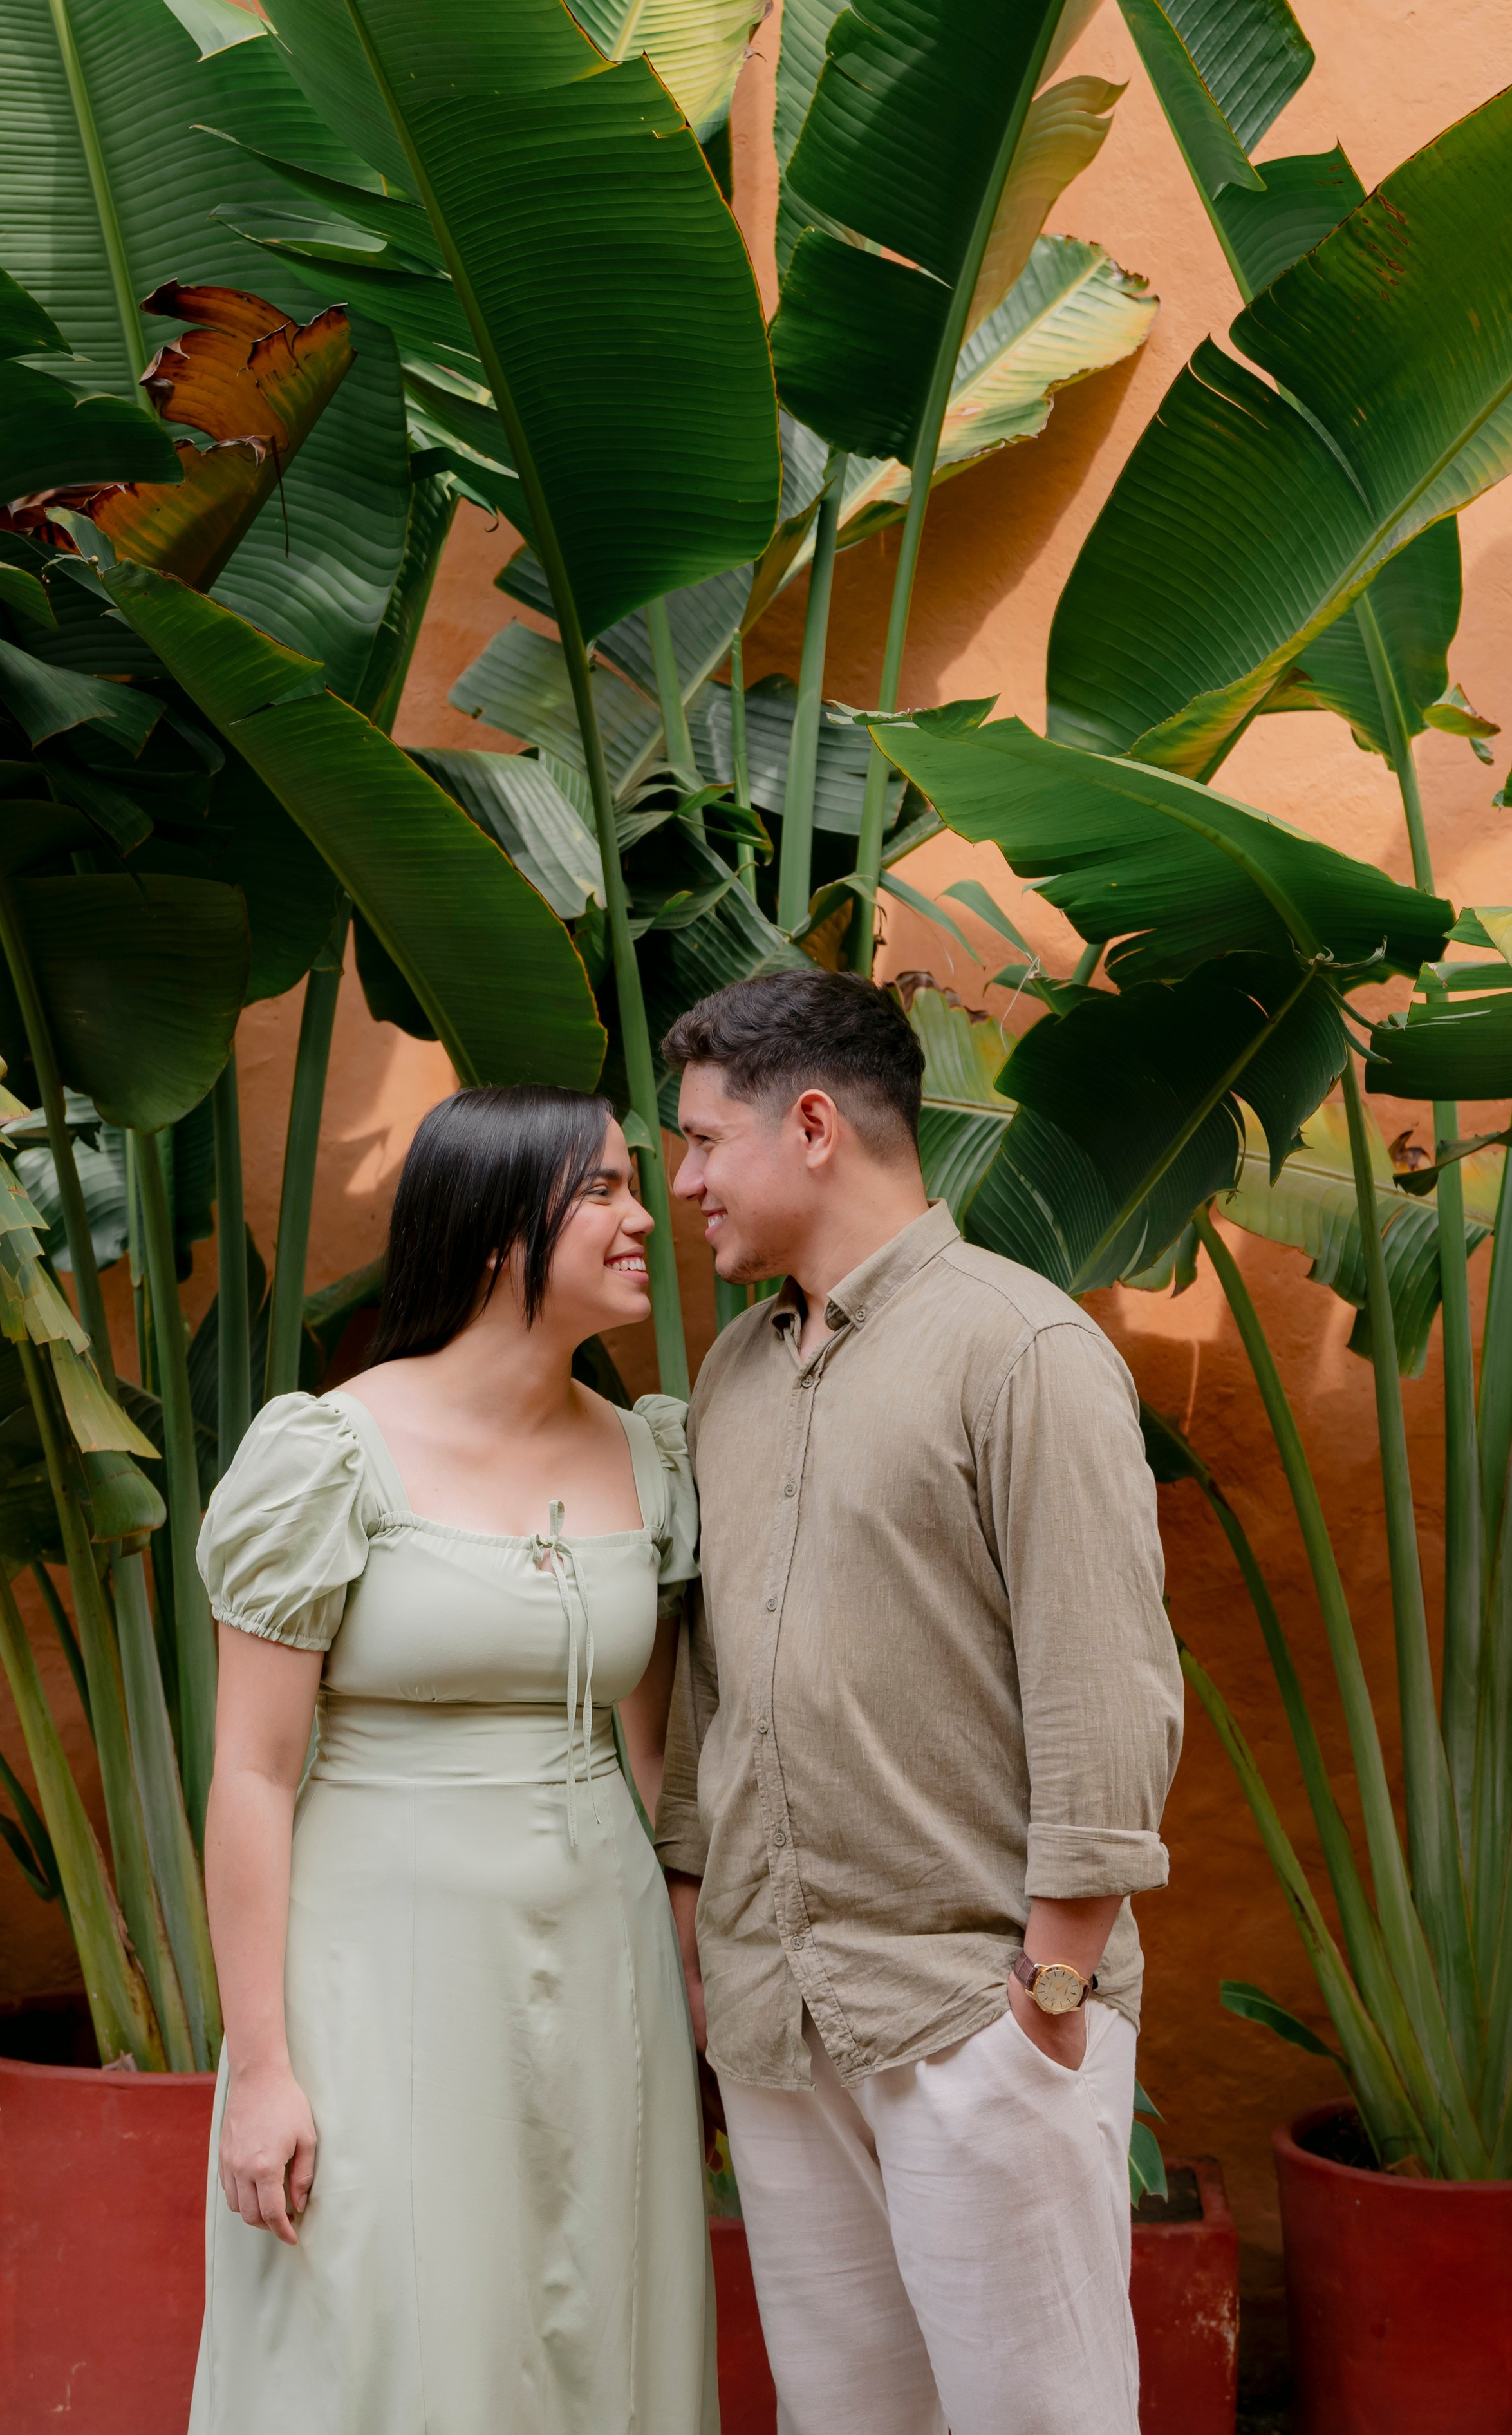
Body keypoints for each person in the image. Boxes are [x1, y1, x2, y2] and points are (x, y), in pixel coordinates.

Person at [653, 970, 1183, 2435]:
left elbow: (1107, 1686)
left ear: (810, 1124)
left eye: (702, 1140)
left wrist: (1048, 1994)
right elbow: (711, 1668)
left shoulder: (1021, 1350)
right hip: (777, 2019)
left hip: (973, 2015)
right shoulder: (734, 1370)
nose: (682, 1181)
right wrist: (705, 1944)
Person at [190, 1085, 716, 2435]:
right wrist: (259, 2068)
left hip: (601, 1964)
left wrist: (698, 1984)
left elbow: (652, 1754)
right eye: (598, 1190)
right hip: (379, 1954)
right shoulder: (326, 1455)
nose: (639, 1216)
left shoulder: (647, 1454)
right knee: (376, 2316)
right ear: (493, 1230)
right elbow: (250, 1772)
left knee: (594, 2307)